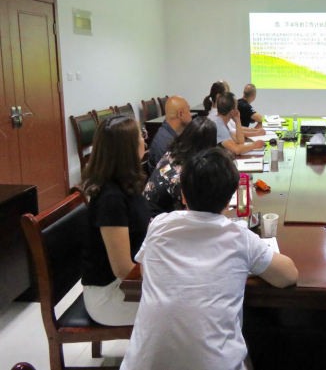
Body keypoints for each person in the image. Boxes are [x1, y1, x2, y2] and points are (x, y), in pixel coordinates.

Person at [121, 148, 298, 370]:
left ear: (183, 195)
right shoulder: (240, 238)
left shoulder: (159, 225)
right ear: (230, 199)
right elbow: (288, 276)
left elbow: (147, 273)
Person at [80, 115, 151, 326]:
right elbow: (122, 269)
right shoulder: (111, 199)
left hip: (124, 283)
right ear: (128, 149)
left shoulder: (126, 182)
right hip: (108, 295)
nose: (144, 139)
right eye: (141, 135)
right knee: (184, 305)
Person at [144, 117, 217, 218]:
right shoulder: (180, 176)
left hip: (159, 216)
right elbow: (195, 212)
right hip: (156, 223)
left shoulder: (172, 154)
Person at [147, 96, 193, 173]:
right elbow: (167, 174)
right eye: (189, 110)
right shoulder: (164, 142)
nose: (190, 115)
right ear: (180, 114)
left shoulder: (174, 134)